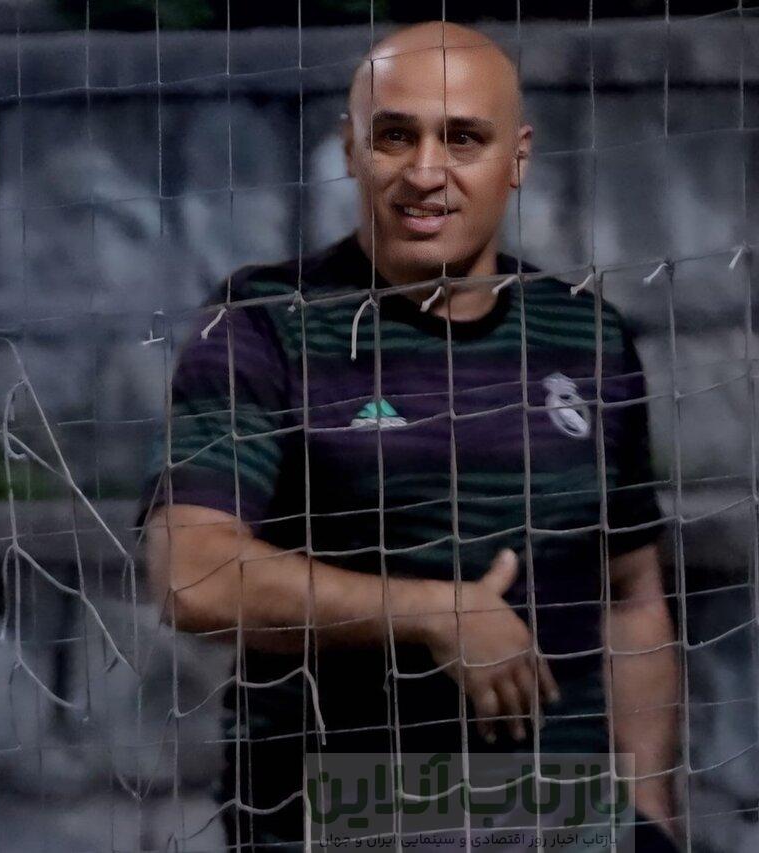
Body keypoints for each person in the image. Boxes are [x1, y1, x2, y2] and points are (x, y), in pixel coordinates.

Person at [139, 21, 680, 852]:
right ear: (351, 149)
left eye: (462, 139)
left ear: (518, 157)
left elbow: (632, 593)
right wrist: (432, 611)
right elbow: (193, 575)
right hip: (345, 809)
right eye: (395, 136)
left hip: (565, 816)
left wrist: (647, 809)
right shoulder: (262, 323)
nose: (426, 173)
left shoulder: (587, 335)